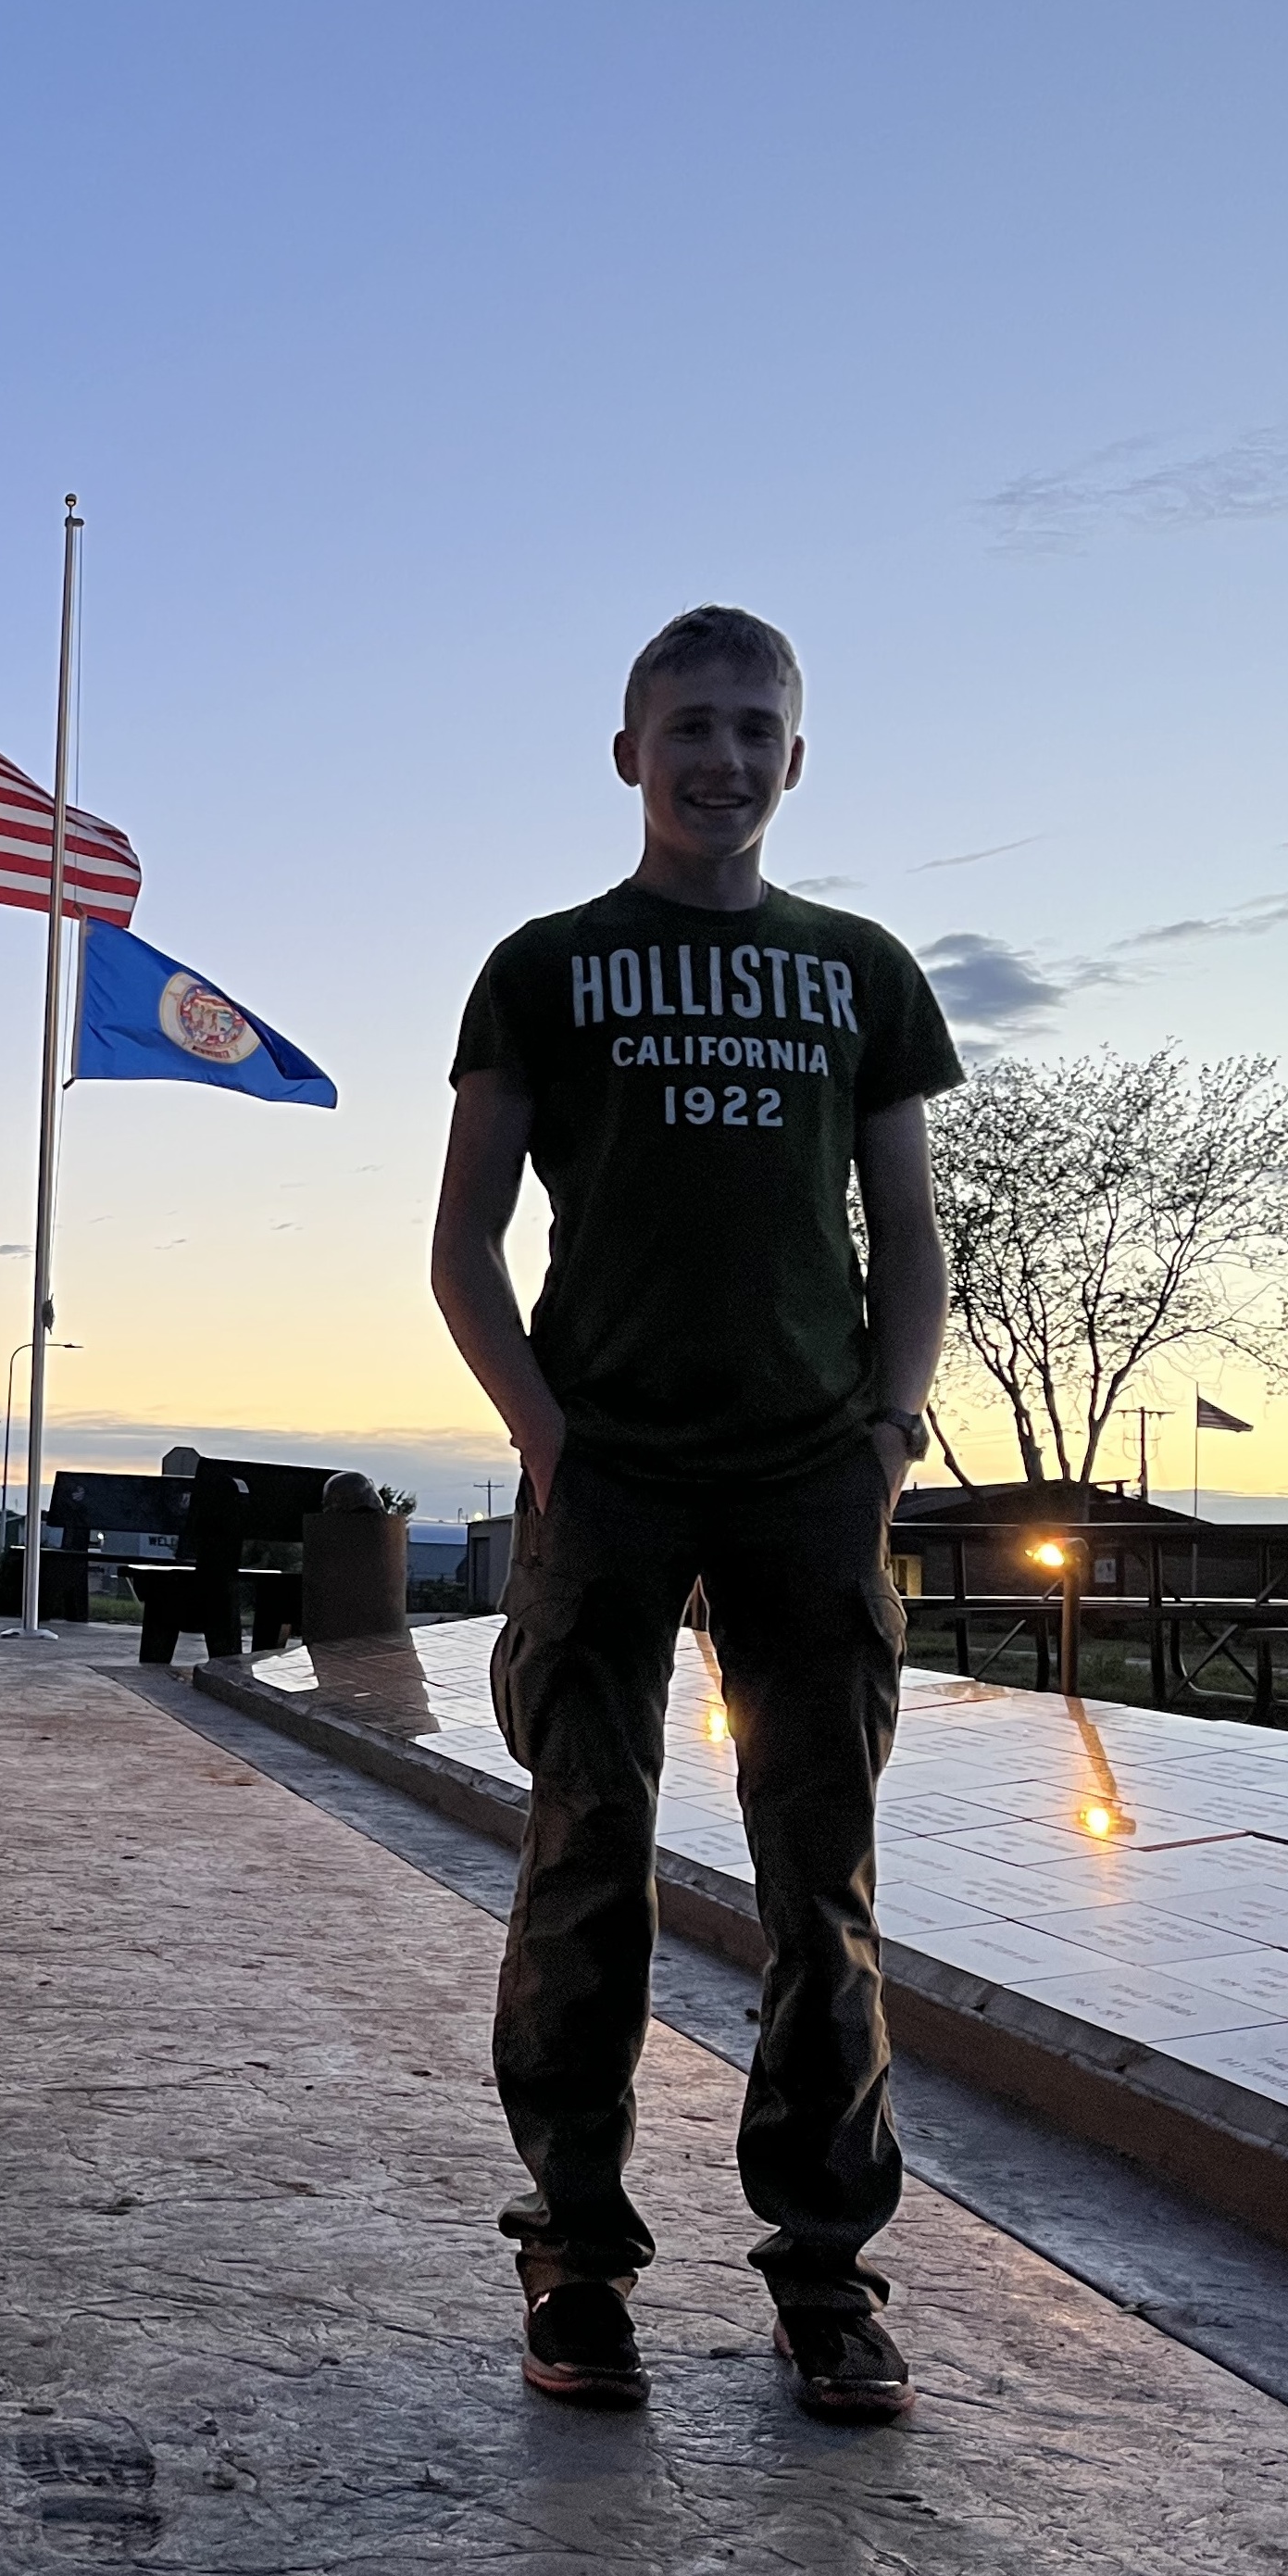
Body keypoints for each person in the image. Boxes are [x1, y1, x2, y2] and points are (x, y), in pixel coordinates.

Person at [428, 605, 958, 2424]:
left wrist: (886, 1431)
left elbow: (910, 1236)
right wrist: (546, 1435)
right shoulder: (546, 966)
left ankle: (827, 2268)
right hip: (614, 1474)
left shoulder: (863, 971)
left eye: (755, 729)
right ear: (630, 753)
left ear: (794, 760)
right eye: (689, 728)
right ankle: (575, 2251)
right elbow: (464, 1244)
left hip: (811, 1474)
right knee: (588, 1856)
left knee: (827, 1881)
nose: (721, 758)